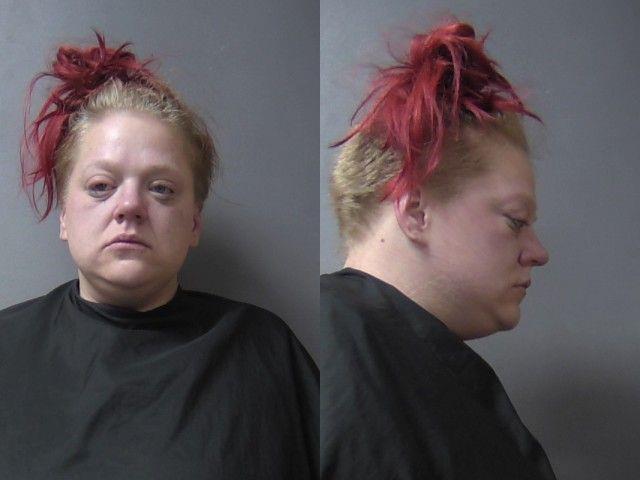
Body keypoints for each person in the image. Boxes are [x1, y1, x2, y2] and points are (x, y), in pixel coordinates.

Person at [0, 32, 318, 479]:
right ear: (64, 215)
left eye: (161, 189)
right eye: (101, 186)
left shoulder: (263, 351)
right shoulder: (8, 348)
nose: (129, 206)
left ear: (194, 223)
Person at [321, 20, 557, 479]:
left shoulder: (415, 365)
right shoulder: (336, 344)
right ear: (415, 211)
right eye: (515, 220)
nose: (538, 252)